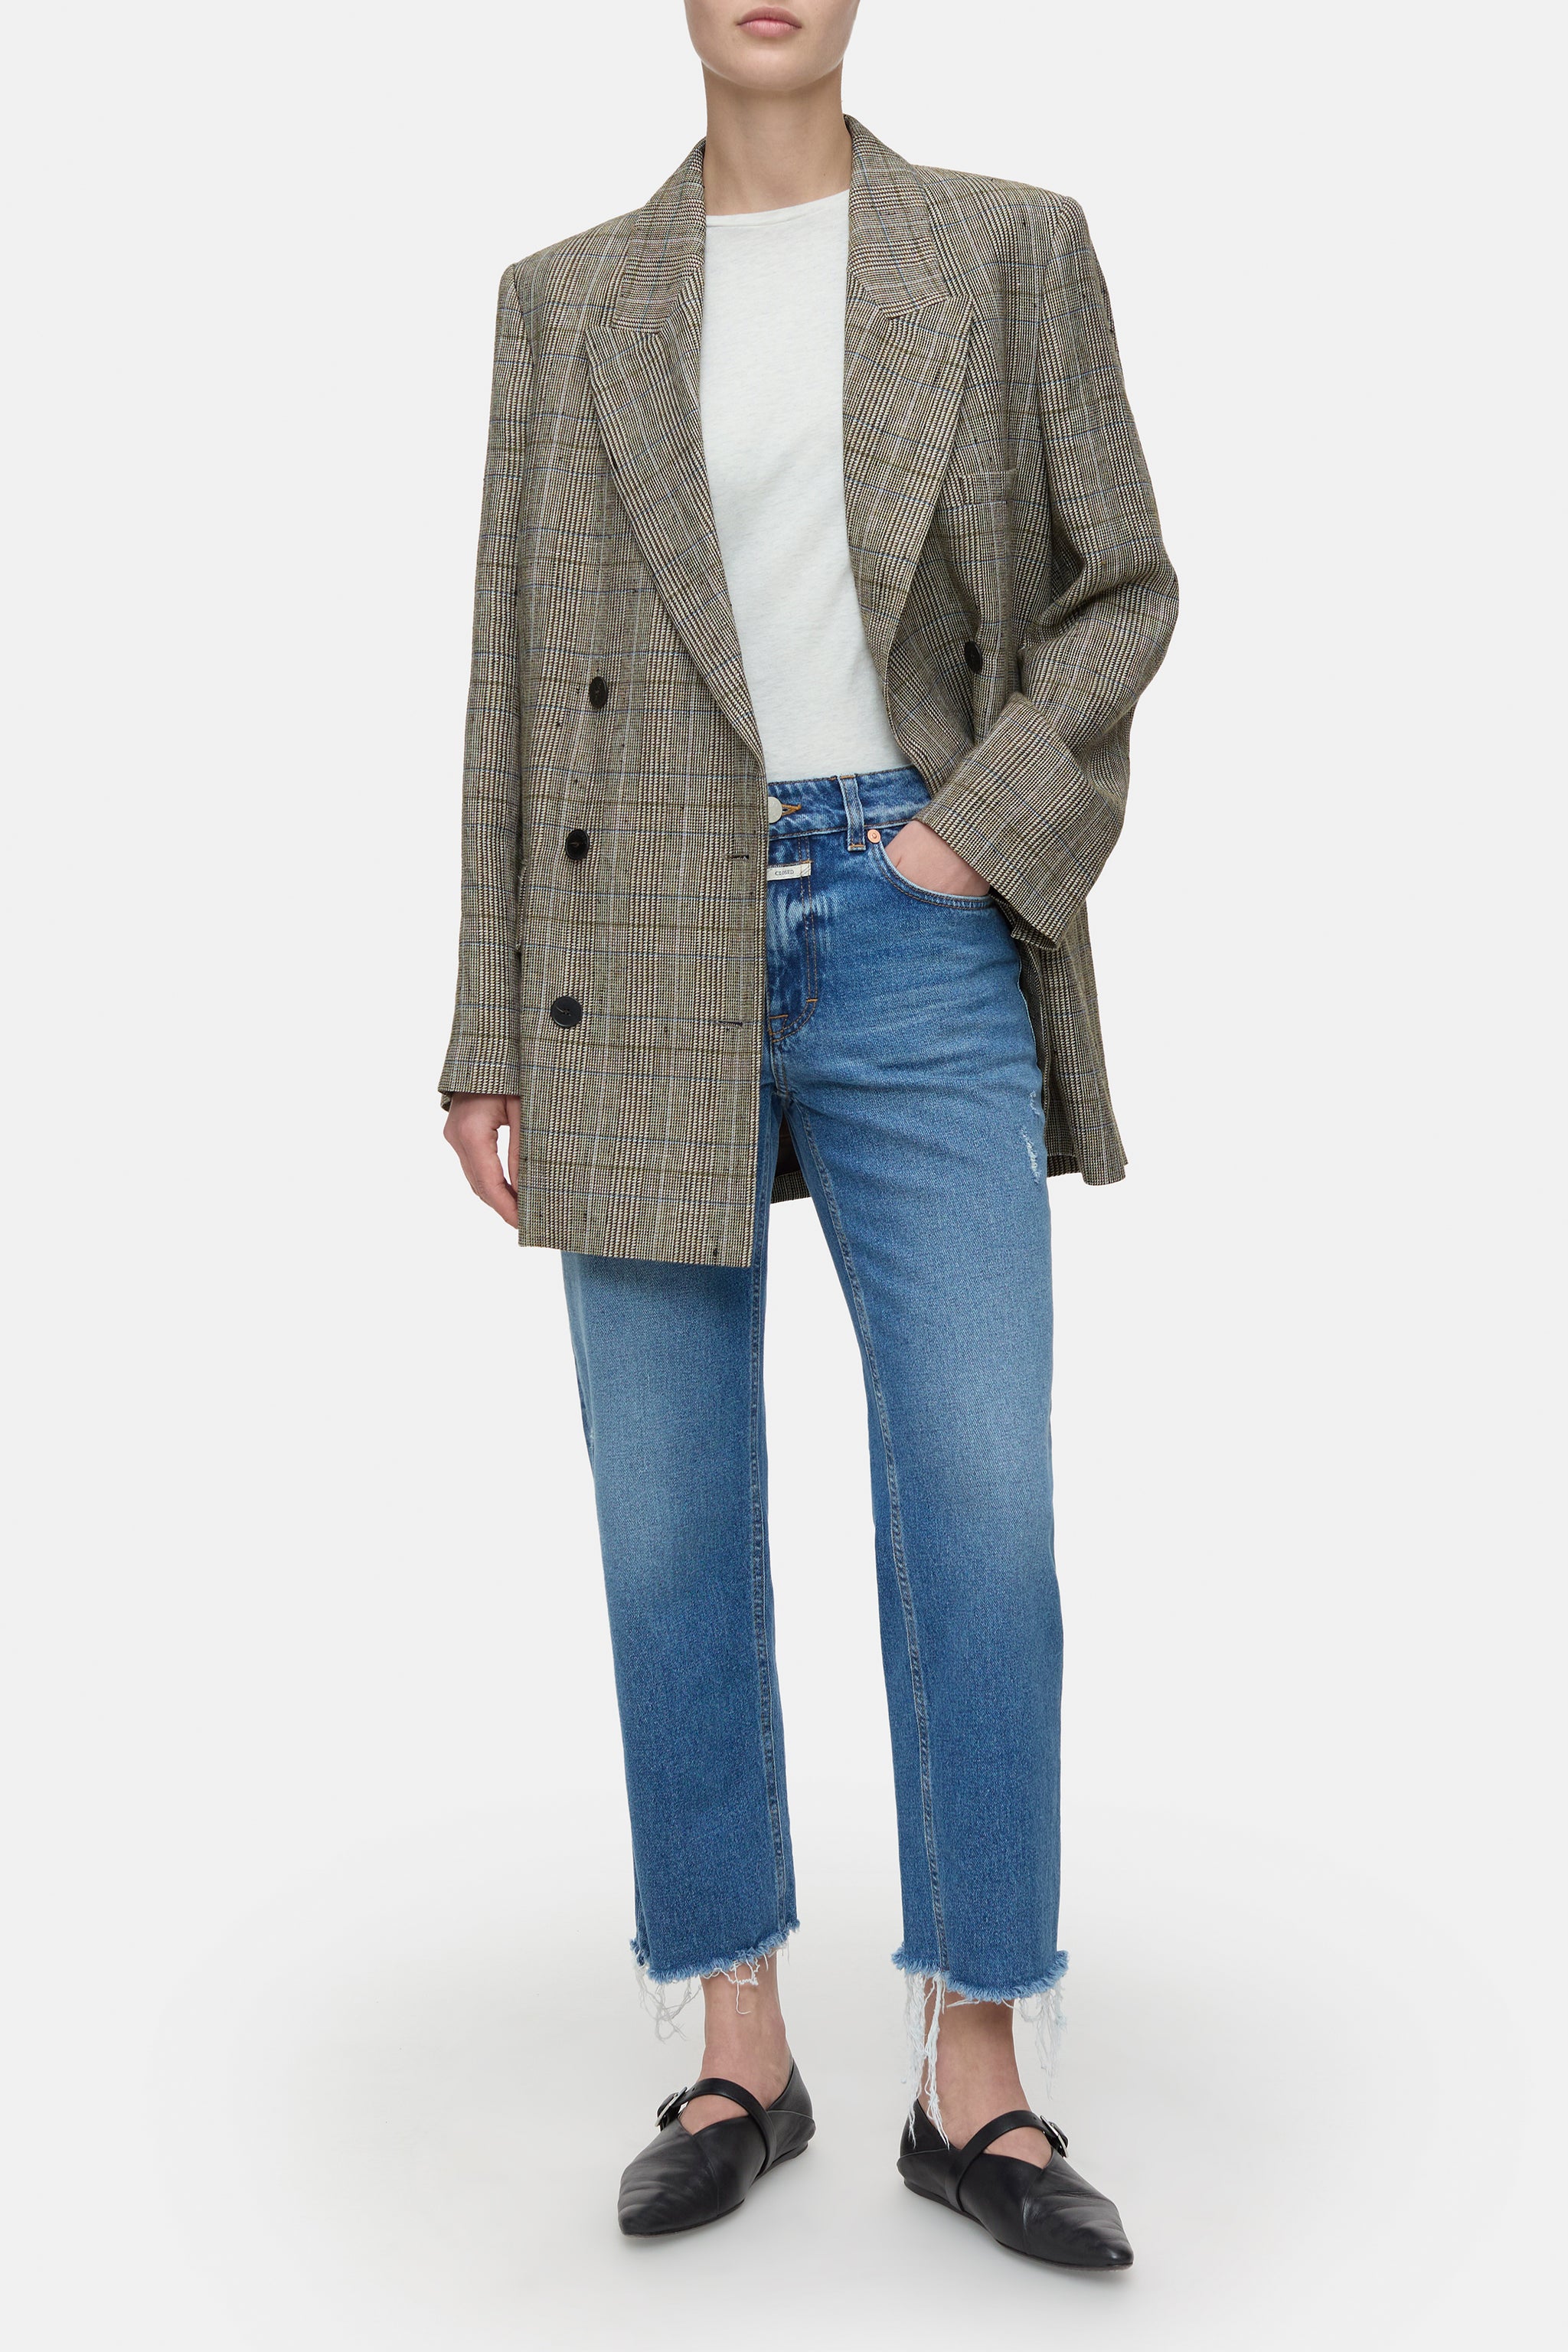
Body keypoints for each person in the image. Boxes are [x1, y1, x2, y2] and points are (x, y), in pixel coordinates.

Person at [440, 0, 1176, 2267]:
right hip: (631, 933)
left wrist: (971, 836)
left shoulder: (1008, 249)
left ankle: (979, 2066)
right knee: (670, 1512)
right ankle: (736, 2041)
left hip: (913, 921)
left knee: (981, 1502)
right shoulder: (567, 298)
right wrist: (486, 1026)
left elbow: (1121, 591)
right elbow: (510, 666)